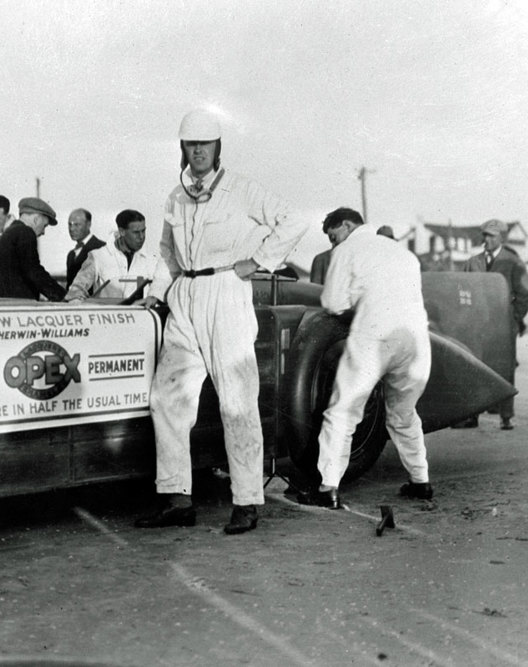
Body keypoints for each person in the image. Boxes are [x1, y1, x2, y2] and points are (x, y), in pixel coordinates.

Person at [135, 110, 307, 534]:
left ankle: (246, 501)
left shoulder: (241, 189)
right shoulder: (175, 197)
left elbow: (294, 221)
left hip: (226, 293)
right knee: (167, 398)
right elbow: (167, 254)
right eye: (191, 144)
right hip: (185, 297)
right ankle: (176, 498)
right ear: (182, 148)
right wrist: (156, 291)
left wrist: (259, 260)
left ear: (217, 148)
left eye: (205, 144)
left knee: (236, 402)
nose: (198, 151)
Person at [299, 208, 433, 508]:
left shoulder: (347, 250)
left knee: (343, 412)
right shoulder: (403, 253)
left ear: (346, 226)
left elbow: (333, 303)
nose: (333, 243)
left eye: (333, 236)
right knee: (403, 413)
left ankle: (328, 489)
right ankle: (420, 481)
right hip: (415, 340)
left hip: (375, 336)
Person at [458, 219, 528, 430]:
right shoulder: (473, 262)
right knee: (474, 368)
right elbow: (462, 290)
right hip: (476, 327)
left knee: (504, 370)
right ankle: (472, 416)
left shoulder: (513, 262)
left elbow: (524, 295)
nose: (485, 239)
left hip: (503, 327)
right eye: (484, 235)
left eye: (490, 236)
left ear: (501, 238)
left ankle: (506, 417)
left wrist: (513, 320)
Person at [65, 209, 166, 302]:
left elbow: (163, 286)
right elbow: (76, 290)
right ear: (122, 231)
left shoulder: (151, 260)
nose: (141, 236)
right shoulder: (98, 256)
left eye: (143, 231)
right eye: (136, 232)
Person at [0, 197, 67, 301]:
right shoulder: (25, 232)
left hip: (2, 305)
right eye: (44, 226)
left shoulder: (10, 234)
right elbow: (34, 271)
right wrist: (63, 297)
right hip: (17, 306)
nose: (43, 232)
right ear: (36, 220)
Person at [66, 208, 105, 287]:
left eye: (77, 225)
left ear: (88, 225)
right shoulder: (71, 255)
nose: (71, 229)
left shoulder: (102, 248)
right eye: (70, 224)